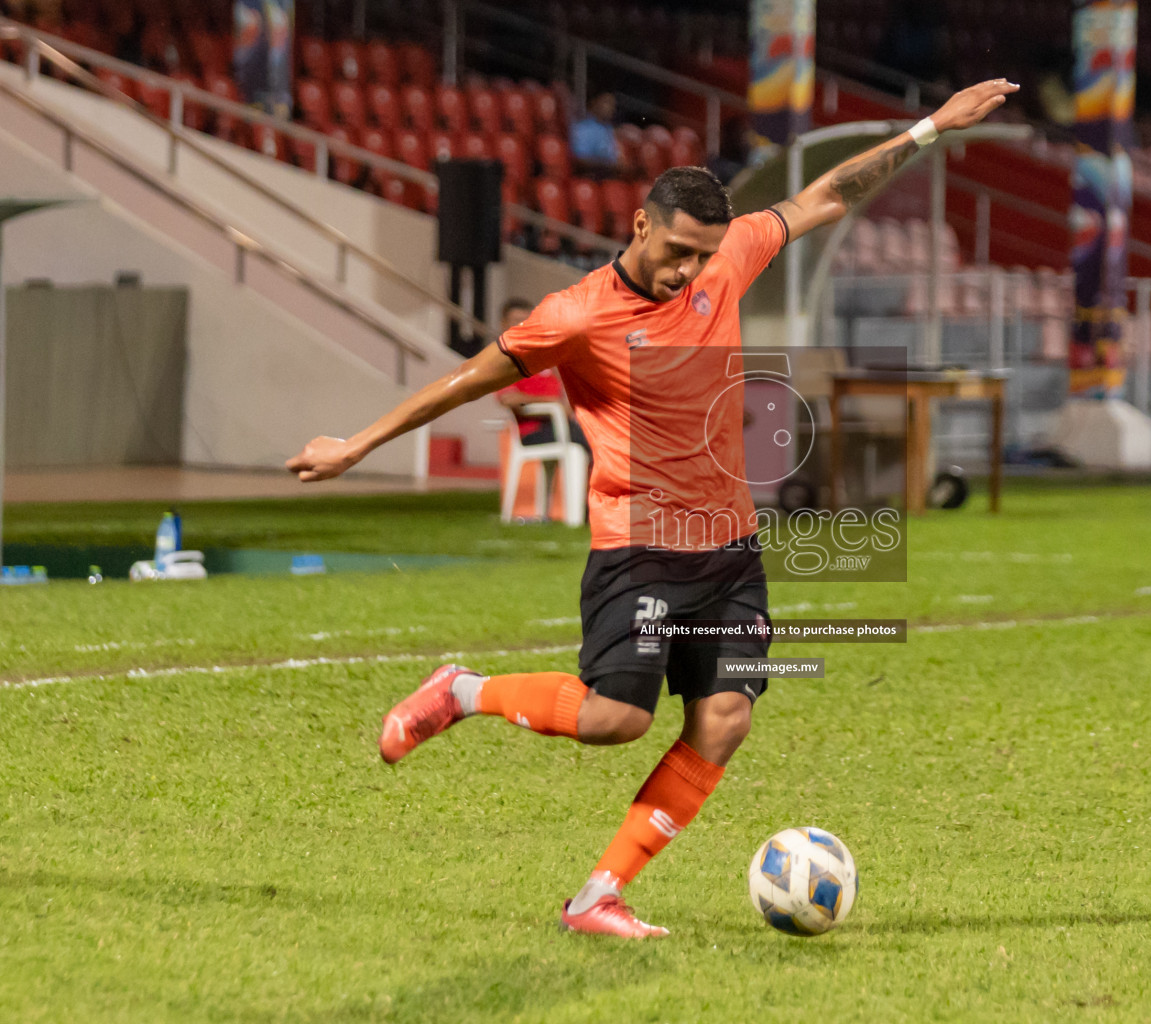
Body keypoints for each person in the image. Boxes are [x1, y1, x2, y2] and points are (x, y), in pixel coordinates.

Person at [286, 79, 1019, 939]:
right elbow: (469, 378)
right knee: (615, 719)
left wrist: (930, 126)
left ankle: (597, 896)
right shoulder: (576, 316)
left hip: (730, 547)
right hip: (638, 546)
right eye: (676, 251)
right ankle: (464, 690)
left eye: (702, 256)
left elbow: (826, 193)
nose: (688, 271)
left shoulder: (730, 256)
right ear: (639, 226)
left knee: (725, 718)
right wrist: (359, 445)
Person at [493, 297, 588, 452]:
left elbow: (568, 396)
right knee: (593, 443)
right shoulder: (505, 362)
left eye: (527, 321)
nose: (522, 326)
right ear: (503, 324)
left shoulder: (546, 360)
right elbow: (509, 399)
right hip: (533, 431)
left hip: (562, 424)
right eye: (517, 321)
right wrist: (553, 403)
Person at [569, 92, 624, 179]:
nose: (611, 108)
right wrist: (609, 165)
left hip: (607, 181)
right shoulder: (584, 127)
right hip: (588, 179)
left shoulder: (609, 130)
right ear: (594, 103)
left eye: (613, 105)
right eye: (606, 102)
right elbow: (579, 160)